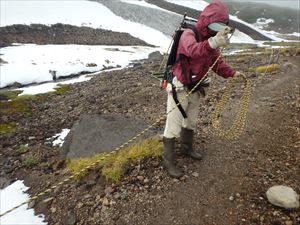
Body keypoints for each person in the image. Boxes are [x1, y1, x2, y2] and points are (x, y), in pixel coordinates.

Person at [162, 0, 240, 178]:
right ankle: (168, 161)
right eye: (215, 24)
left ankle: (186, 148)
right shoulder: (189, 34)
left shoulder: (211, 40)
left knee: (191, 121)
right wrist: (213, 42)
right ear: (207, 21)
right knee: (173, 124)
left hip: (197, 87)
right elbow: (192, 51)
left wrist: (233, 73)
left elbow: (216, 64)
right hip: (180, 86)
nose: (216, 28)